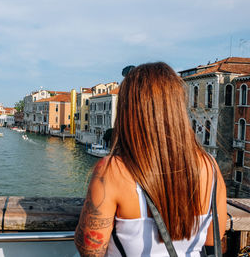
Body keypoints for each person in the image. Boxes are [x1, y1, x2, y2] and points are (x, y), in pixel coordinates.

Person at [74, 62, 227, 256]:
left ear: (128, 111)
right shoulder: (210, 166)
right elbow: (213, 239)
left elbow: (90, 249)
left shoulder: (112, 171)